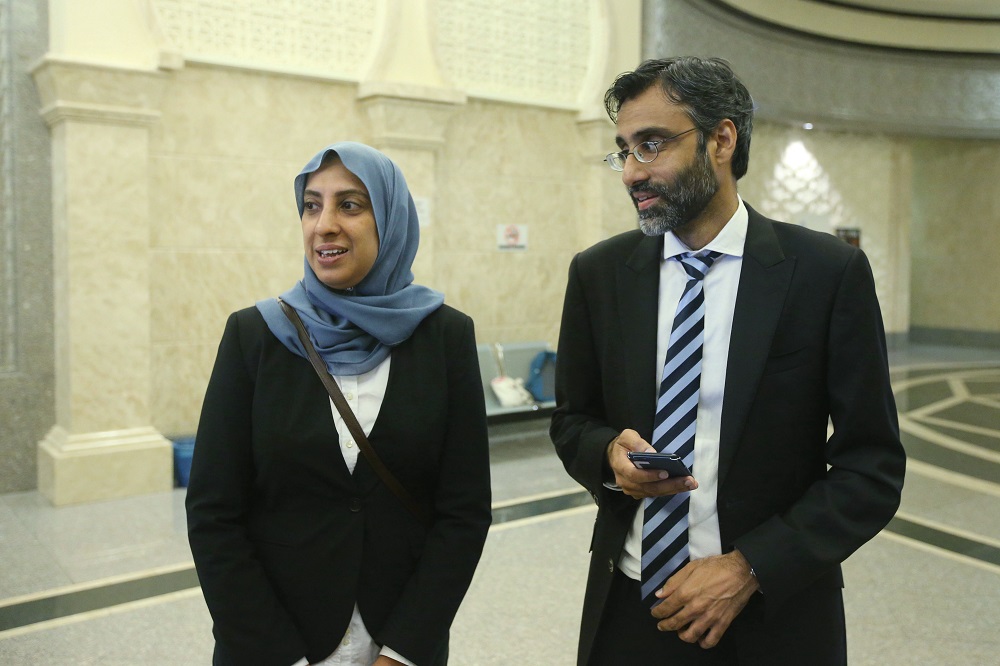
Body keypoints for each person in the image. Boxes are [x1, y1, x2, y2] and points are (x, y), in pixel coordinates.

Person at [550, 57, 906, 665]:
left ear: (721, 139)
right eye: (624, 150)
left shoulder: (824, 274)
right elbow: (572, 420)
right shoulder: (600, 274)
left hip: (774, 616)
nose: (632, 172)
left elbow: (870, 466)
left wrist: (750, 567)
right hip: (632, 607)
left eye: (652, 144)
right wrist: (609, 458)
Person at [186, 142, 492, 666]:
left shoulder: (444, 337)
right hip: (275, 641)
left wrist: (404, 650)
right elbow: (213, 513)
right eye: (311, 205)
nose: (323, 224)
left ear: (390, 220)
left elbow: (463, 511)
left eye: (349, 205)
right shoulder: (254, 335)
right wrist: (275, 653)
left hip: (396, 638)